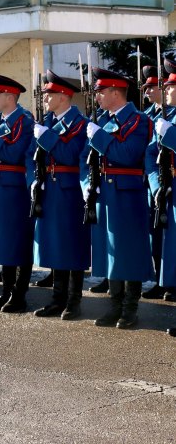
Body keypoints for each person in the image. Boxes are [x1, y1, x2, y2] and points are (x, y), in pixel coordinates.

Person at [86, 68, 153, 329]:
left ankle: (130, 309)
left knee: (129, 251)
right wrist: (86, 184)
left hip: (128, 193)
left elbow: (127, 154)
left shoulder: (139, 121)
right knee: (110, 251)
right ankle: (114, 306)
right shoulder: (102, 120)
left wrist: (99, 137)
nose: (98, 96)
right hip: (105, 192)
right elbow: (86, 158)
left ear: (116, 92)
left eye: (102, 91)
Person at [30, 70, 90, 320]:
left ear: (64, 96)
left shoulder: (80, 123)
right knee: (54, 243)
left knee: (72, 244)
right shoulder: (48, 122)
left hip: (69, 189)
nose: (44, 98)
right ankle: (57, 298)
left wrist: (47, 138)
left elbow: (70, 155)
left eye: (49, 94)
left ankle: (74, 301)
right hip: (49, 187)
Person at [0, 74, 35, 313]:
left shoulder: (24, 121)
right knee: (3, 242)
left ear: (10, 96)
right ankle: (6, 291)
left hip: (15, 188)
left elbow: (15, 154)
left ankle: (18, 294)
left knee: (17, 241)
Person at [146, 53, 176, 337]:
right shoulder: (166, 118)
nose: (165, 89)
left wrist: (171, 136)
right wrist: (157, 184)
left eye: (170, 85)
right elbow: (151, 156)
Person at [140, 65, 169, 301]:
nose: (148, 91)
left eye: (152, 87)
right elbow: (150, 153)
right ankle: (162, 279)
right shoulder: (149, 114)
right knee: (156, 234)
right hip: (156, 183)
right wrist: (154, 182)